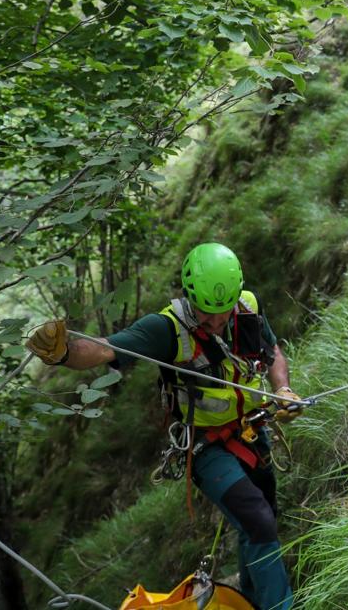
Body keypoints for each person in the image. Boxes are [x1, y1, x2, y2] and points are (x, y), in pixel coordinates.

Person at [26, 243, 300, 610]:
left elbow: (272, 352)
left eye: (224, 312)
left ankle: (249, 601)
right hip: (206, 446)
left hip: (251, 431)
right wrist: (61, 353)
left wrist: (282, 388)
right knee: (257, 520)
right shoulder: (166, 329)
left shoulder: (247, 306)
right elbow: (104, 349)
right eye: (208, 313)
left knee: (261, 520)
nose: (217, 321)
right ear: (190, 296)